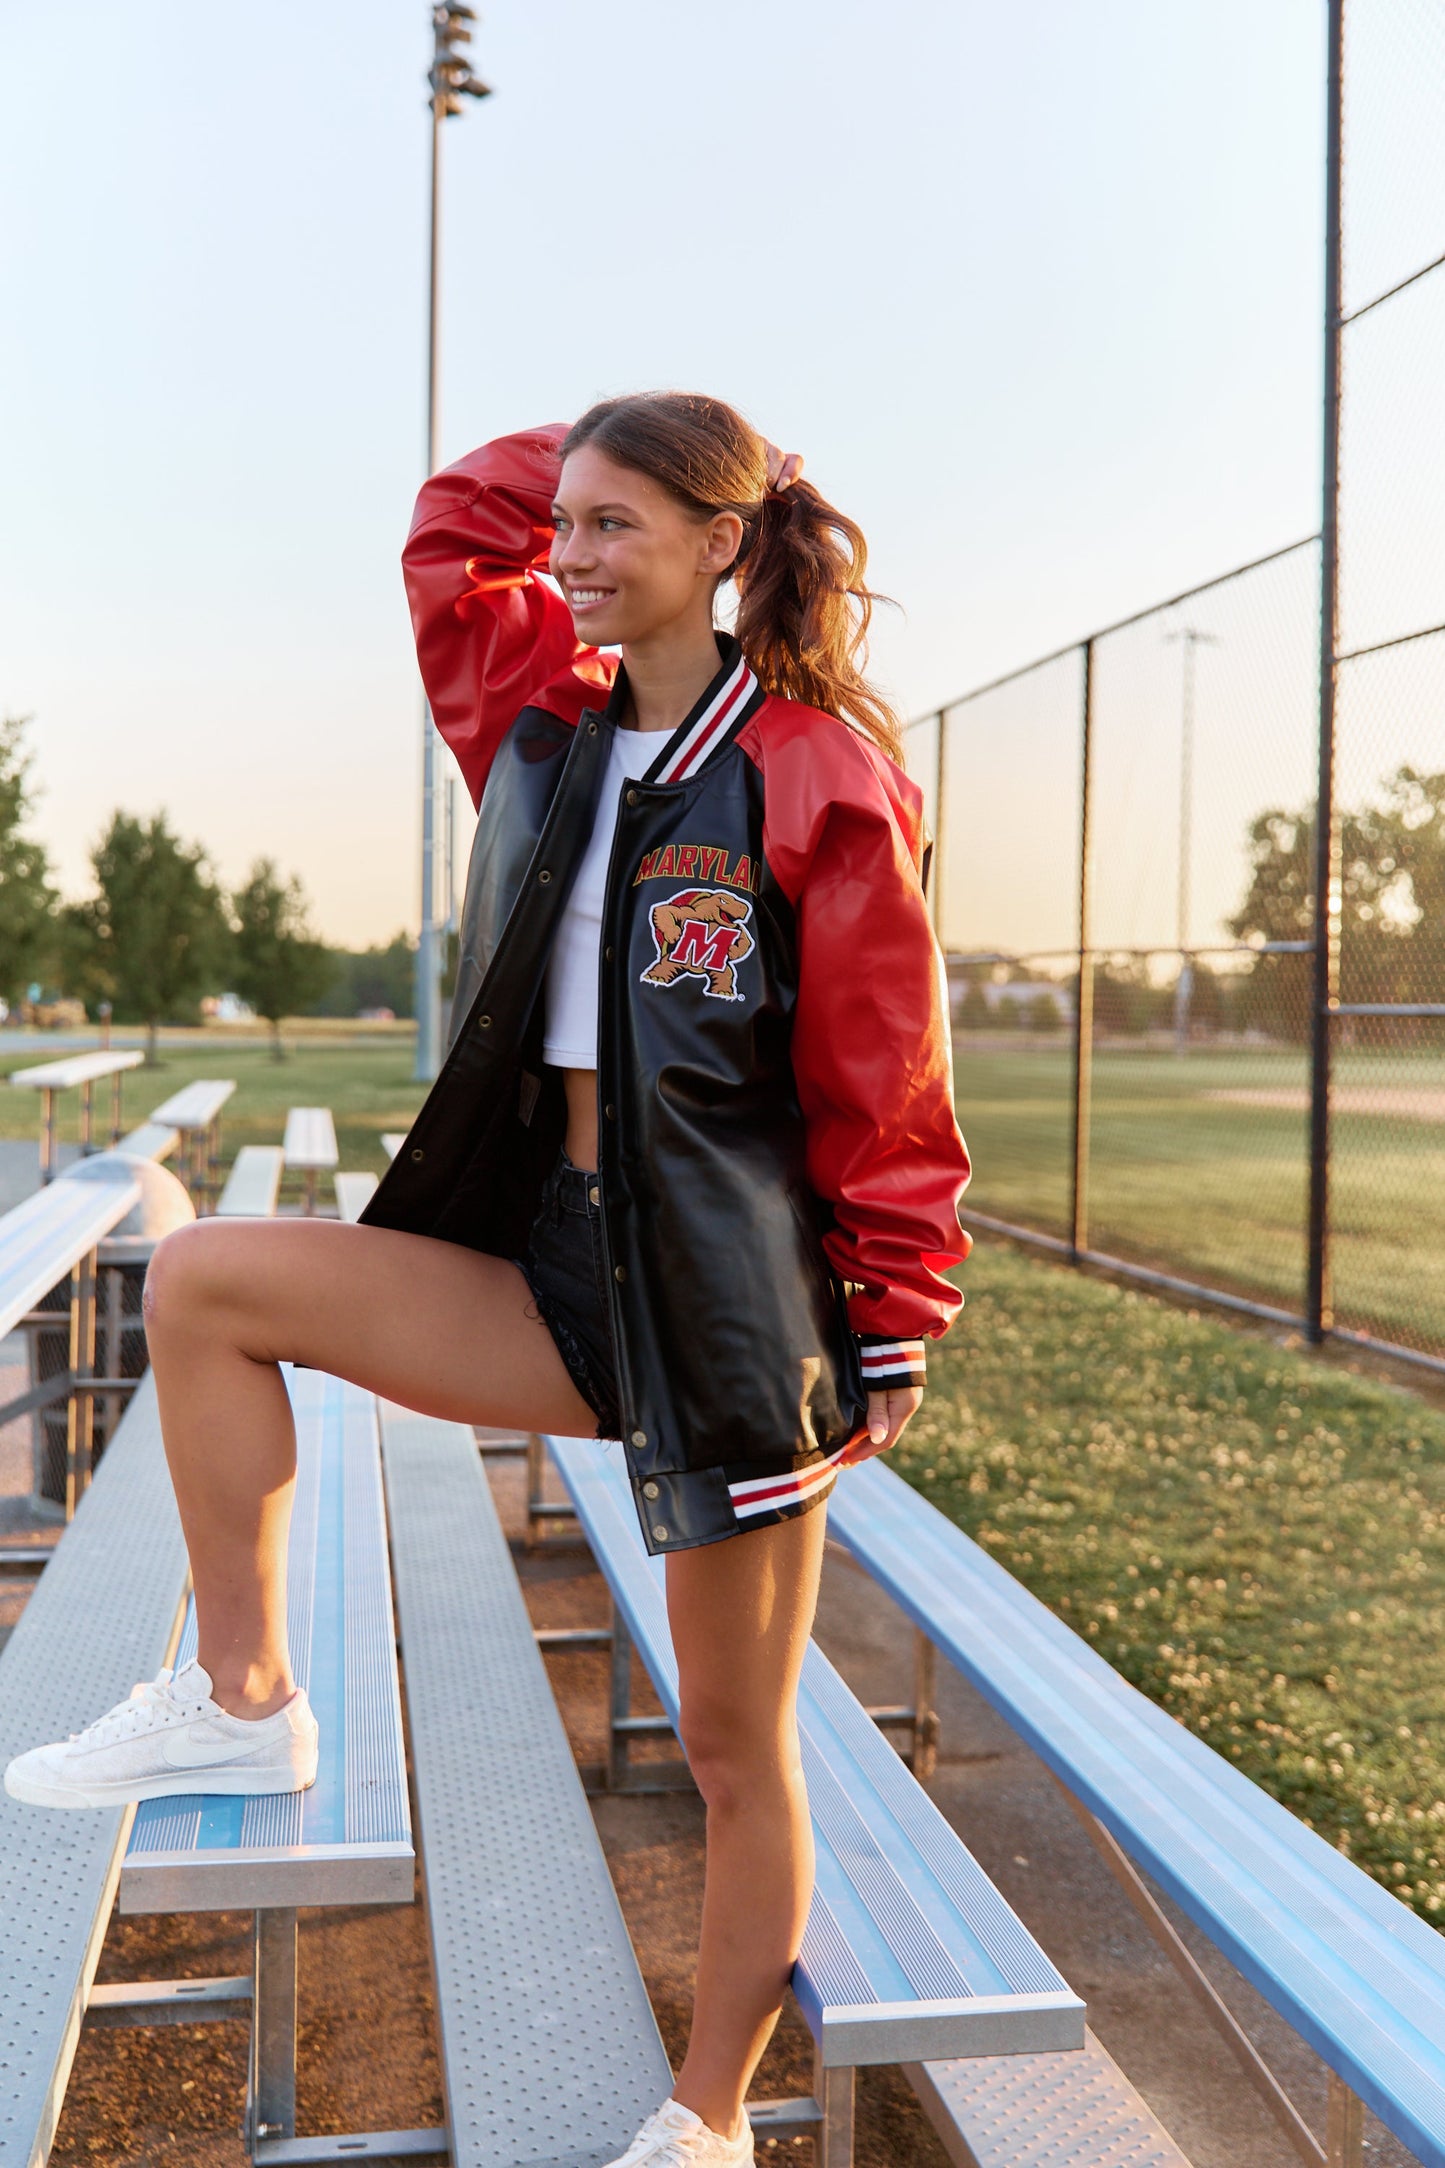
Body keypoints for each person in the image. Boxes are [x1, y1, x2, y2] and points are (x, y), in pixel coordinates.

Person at [4, 392, 971, 2168]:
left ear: (722, 549)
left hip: (726, 1319)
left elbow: (884, 1074)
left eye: (620, 527)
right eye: (573, 522)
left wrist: (894, 1310)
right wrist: (620, 448)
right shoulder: (546, 724)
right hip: (547, 1271)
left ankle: (702, 2119)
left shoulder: (822, 774)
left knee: (737, 1754)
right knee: (210, 1282)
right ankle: (244, 1707)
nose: (573, 556)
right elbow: (455, 525)